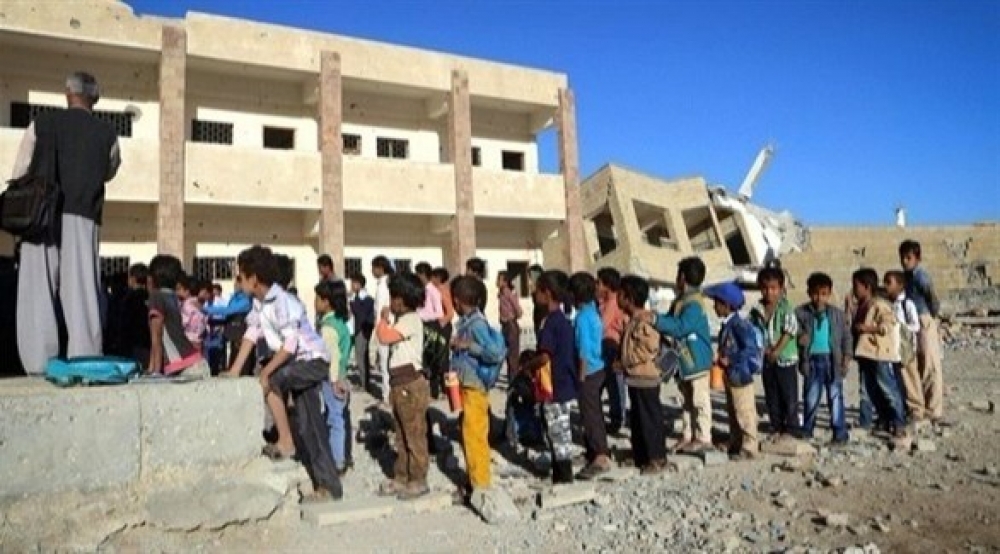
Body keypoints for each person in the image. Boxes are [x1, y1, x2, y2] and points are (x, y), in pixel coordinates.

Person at [12, 71, 121, 375]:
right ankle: (85, 357)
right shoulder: (107, 133)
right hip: (82, 213)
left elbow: (21, 169)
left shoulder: (41, 124)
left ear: (67, 93)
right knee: (82, 288)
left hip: (40, 213)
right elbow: (110, 170)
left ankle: (38, 363)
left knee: (37, 286)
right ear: (94, 98)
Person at [226, 246, 342, 503]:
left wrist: (267, 372)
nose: (239, 282)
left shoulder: (283, 302)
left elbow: (290, 345)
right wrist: (234, 370)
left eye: (241, 277)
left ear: (254, 279)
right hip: (297, 364)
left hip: (311, 361)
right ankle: (327, 484)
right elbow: (251, 334)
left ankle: (287, 442)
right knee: (310, 424)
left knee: (272, 380)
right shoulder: (259, 304)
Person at [449, 276, 506, 502]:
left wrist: (468, 346)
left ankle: (480, 484)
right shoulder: (466, 322)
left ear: (457, 301)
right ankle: (473, 478)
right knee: (468, 432)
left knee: (475, 435)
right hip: (466, 385)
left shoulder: (477, 325)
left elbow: (495, 353)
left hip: (475, 387)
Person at [648, 257, 714, 453]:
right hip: (685, 361)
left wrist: (656, 320)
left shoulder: (694, 304)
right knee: (686, 401)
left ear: (682, 277)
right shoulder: (681, 301)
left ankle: (703, 437)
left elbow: (680, 327)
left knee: (699, 400)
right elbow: (670, 320)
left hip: (696, 360)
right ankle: (688, 435)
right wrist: (656, 318)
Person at [374, 272, 431, 501]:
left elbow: (384, 337)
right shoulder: (403, 319)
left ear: (404, 298)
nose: (392, 302)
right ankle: (402, 474)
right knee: (401, 433)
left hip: (410, 383)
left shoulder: (410, 320)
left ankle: (418, 478)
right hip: (399, 383)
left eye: (394, 297)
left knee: (413, 434)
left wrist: (383, 319)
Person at [524, 270, 578, 485]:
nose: (534, 294)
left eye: (537, 290)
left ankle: (563, 477)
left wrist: (528, 366)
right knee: (561, 430)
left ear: (547, 293)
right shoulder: (563, 320)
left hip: (554, 385)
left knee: (557, 432)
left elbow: (545, 355)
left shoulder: (551, 323)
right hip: (564, 382)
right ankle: (561, 473)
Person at [616, 275, 670, 474]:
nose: (617, 298)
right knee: (638, 420)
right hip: (635, 378)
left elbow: (648, 348)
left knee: (650, 420)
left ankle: (656, 458)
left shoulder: (644, 321)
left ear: (629, 298)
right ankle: (641, 456)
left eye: (620, 295)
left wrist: (625, 361)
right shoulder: (633, 320)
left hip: (646, 378)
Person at [794, 273, 852, 445]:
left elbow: (846, 338)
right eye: (815, 294)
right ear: (809, 293)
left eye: (824, 294)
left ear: (829, 294)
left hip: (833, 361)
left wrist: (846, 358)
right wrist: (800, 337)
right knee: (811, 397)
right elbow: (793, 330)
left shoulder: (837, 315)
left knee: (835, 397)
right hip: (812, 360)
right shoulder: (801, 313)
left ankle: (839, 433)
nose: (819, 298)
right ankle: (807, 429)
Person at [705, 281, 761, 460]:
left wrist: (730, 359)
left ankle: (750, 446)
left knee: (744, 411)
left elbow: (750, 349)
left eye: (717, 303)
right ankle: (736, 441)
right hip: (731, 375)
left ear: (727, 305)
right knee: (733, 410)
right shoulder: (728, 325)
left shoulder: (739, 325)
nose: (714, 306)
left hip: (740, 375)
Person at [851, 268, 907, 439]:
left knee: (888, 389)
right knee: (867, 390)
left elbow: (887, 325)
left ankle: (898, 422)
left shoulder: (879, 305)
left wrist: (868, 328)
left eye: (856, 286)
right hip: (865, 354)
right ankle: (871, 420)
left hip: (879, 354)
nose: (854, 290)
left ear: (867, 287)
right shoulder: (861, 306)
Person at [750, 266, 800, 441]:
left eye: (773, 288)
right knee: (772, 394)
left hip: (785, 359)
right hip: (766, 359)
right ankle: (776, 425)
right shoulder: (757, 310)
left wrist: (777, 350)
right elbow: (754, 331)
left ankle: (791, 427)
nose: (769, 292)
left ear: (780, 288)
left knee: (788, 395)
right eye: (765, 288)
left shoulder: (785, 308)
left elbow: (790, 330)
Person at [570, 272, 612, 479]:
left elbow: (584, 350)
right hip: (598, 368)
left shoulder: (582, 318)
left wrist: (580, 377)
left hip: (589, 370)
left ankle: (601, 456)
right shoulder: (592, 312)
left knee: (591, 414)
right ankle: (593, 451)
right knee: (593, 412)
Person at [899, 240, 944, 424]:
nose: (904, 261)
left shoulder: (921, 277)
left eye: (908, 257)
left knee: (930, 364)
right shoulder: (905, 277)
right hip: (911, 323)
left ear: (917, 258)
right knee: (914, 364)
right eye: (902, 257)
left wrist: (930, 318)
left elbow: (932, 298)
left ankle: (933, 409)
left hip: (924, 319)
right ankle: (917, 407)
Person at [145, 256, 209, 379]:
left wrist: (154, 371)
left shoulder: (156, 296)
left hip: (184, 366)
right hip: (194, 362)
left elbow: (156, 336)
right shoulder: (172, 296)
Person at [315, 280, 354, 475]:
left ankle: (337, 461)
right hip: (342, 375)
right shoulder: (341, 323)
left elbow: (333, 356)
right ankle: (343, 455)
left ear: (326, 301)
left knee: (334, 419)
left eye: (317, 298)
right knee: (339, 417)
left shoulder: (328, 327)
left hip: (333, 378)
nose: (315, 302)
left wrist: (334, 380)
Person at [884, 270, 921, 425]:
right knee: (899, 380)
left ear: (900, 285)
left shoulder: (907, 304)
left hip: (906, 350)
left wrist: (899, 326)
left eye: (889, 283)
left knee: (910, 380)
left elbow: (916, 325)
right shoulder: (888, 304)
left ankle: (917, 410)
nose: (886, 286)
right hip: (894, 349)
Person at [596, 267, 628, 435]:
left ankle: (618, 418)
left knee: (615, 385)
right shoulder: (605, 302)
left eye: (599, 283)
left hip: (612, 346)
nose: (597, 286)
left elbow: (601, 326)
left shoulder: (612, 303)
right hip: (607, 346)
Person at [369, 255, 395, 402]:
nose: (372, 271)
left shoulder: (384, 285)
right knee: (386, 363)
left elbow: (381, 309)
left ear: (380, 268)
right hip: (385, 326)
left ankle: (387, 396)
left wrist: (378, 330)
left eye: (373, 268)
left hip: (384, 327)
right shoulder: (384, 283)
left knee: (385, 363)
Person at [349, 273, 375, 390]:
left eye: (353, 283)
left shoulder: (366, 299)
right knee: (361, 356)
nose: (351, 286)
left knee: (361, 356)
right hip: (359, 329)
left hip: (363, 330)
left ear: (359, 284)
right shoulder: (359, 298)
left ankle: (364, 384)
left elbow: (360, 314)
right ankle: (364, 382)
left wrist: (352, 301)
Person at [496, 270, 523, 381]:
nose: (497, 282)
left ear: (505, 282)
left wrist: (513, 316)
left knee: (513, 355)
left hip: (510, 324)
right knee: (507, 353)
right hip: (505, 325)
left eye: (499, 279)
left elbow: (518, 308)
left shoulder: (508, 293)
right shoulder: (501, 293)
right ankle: (511, 377)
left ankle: (514, 379)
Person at [176, 274, 207, 353]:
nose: (177, 292)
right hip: (198, 340)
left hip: (188, 341)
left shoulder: (187, 305)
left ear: (187, 291)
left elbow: (183, 323)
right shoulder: (200, 304)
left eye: (179, 289)